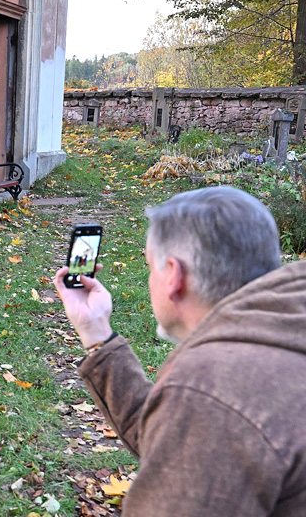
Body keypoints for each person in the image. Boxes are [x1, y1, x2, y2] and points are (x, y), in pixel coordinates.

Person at [53, 186, 306, 515]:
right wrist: (95, 330)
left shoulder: (210, 391)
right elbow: (175, 440)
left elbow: (203, 418)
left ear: (173, 275)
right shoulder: (283, 334)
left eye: (149, 265)